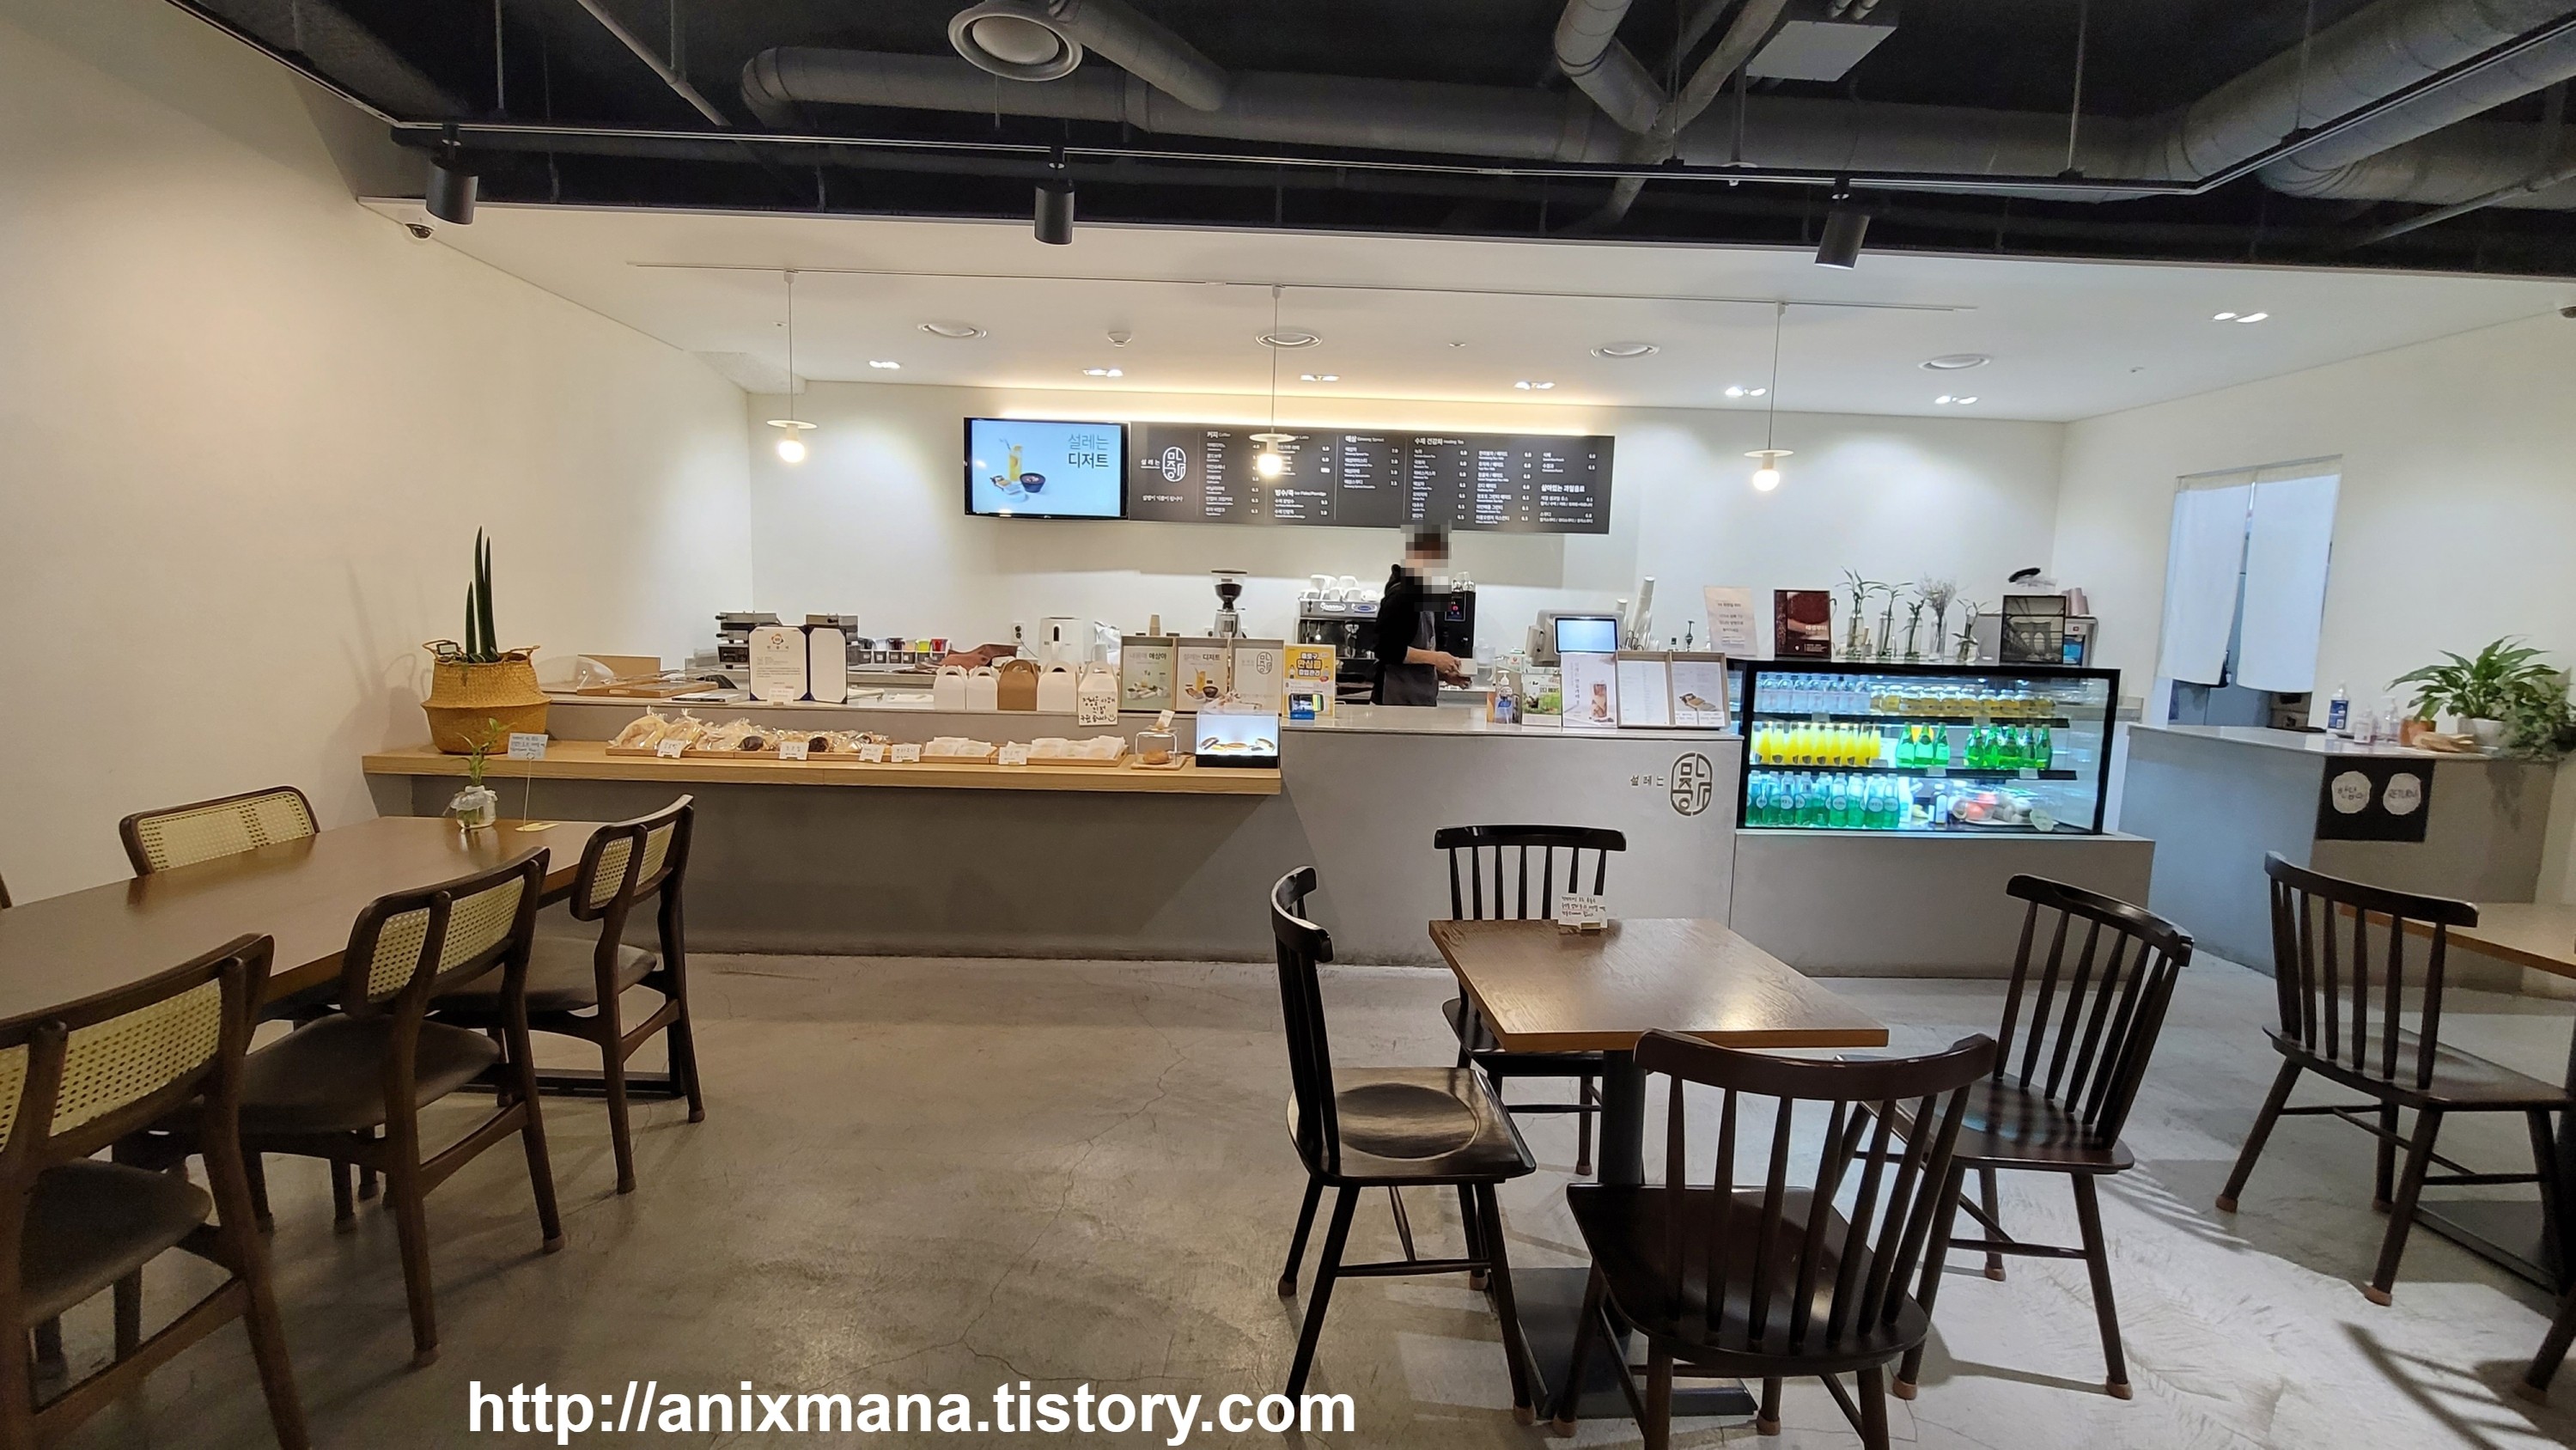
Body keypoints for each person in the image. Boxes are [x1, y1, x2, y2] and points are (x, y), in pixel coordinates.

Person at [1372, 527, 1469, 705]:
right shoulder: (1401, 596)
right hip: (1395, 703)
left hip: (1420, 701)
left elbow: (1419, 652)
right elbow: (1386, 648)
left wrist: (1443, 674)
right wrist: (1435, 658)